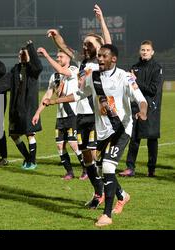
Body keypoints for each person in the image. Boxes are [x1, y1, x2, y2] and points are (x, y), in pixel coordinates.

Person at [58, 44, 147, 227]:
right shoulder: (94, 76)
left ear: (113, 59)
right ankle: (122, 195)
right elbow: (80, 94)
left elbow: (140, 99)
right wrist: (55, 100)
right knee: (99, 166)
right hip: (104, 130)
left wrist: (143, 112)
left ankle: (107, 215)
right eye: (98, 55)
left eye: (103, 56)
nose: (99, 58)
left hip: (122, 128)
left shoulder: (125, 77)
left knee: (107, 166)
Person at [45, 4, 111, 208]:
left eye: (89, 44)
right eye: (84, 44)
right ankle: (99, 192)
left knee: (97, 159)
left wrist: (101, 21)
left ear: (100, 49)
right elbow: (64, 47)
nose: (85, 47)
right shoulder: (83, 63)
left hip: (97, 116)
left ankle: (112, 195)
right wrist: (56, 36)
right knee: (87, 159)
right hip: (80, 116)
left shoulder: (101, 62)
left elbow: (107, 42)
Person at [0, 41, 42, 170]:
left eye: (23, 54)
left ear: (28, 56)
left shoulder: (32, 69)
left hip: (28, 108)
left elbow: (38, 66)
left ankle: (32, 161)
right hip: (15, 108)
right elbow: (4, 82)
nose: (20, 56)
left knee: (30, 134)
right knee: (14, 135)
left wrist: (31, 48)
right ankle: (28, 158)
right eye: (19, 54)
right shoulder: (15, 69)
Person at [32, 47, 85, 179]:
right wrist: (37, 113)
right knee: (60, 145)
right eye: (57, 56)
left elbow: (62, 70)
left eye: (60, 56)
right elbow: (48, 95)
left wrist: (46, 55)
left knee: (74, 144)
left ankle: (87, 170)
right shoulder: (54, 77)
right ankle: (69, 172)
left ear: (68, 58)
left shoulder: (73, 70)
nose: (58, 58)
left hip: (73, 114)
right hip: (60, 116)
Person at [120, 40, 164, 177]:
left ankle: (151, 169)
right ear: (140, 51)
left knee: (152, 139)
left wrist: (136, 80)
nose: (144, 52)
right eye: (142, 50)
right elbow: (130, 88)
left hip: (152, 107)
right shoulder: (135, 67)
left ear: (152, 52)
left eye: (147, 50)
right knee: (134, 138)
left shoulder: (157, 68)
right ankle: (130, 168)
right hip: (135, 107)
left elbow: (153, 90)